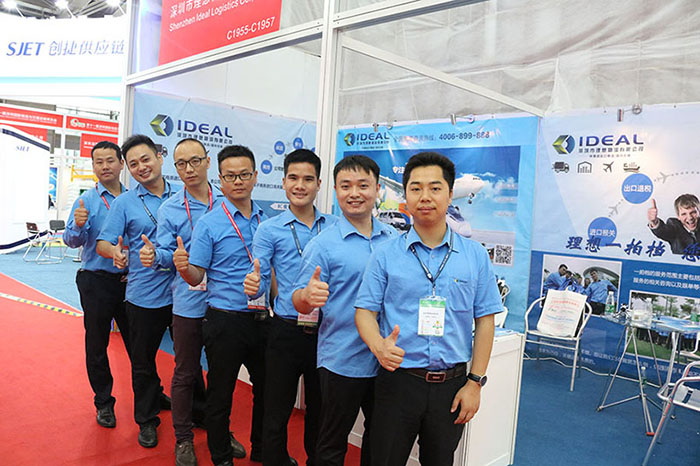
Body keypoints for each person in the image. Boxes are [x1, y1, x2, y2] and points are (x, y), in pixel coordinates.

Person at [354, 151, 501, 466]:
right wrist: (378, 345)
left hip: (452, 387)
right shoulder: (385, 254)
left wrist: (475, 382)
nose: (425, 196)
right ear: (405, 195)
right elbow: (365, 311)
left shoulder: (475, 256)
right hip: (398, 382)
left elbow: (485, 321)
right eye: (416, 188)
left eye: (435, 188)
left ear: (450, 194)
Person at [138, 138, 245, 465]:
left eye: (195, 161)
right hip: (188, 303)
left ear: (208, 161)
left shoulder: (227, 200)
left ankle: (219, 432)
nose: (189, 169)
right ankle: (183, 438)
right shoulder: (170, 208)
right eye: (181, 164)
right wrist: (158, 256)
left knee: (221, 376)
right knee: (185, 373)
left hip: (225, 303)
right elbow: (165, 252)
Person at [292, 155, 396, 466]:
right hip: (342, 361)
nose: (354, 193)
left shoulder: (395, 240)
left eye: (363, 185)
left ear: (377, 189)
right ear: (335, 190)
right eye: (346, 186)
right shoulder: (322, 245)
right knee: (331, 444)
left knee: (381, 442)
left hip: (387, 361)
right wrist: (307, 296)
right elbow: (297, 300)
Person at [174, 145, 268, 466]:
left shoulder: (267, 221)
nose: (238, 181)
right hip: (225, 321)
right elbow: (196, 275)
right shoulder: (210, 223)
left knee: (266, 391)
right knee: (220, 394)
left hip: (262, 319)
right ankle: (221, 457)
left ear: (255, 177)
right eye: (230, 176)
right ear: (221, 180)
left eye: (244, 174)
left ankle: (262, 449)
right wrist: (184, 267)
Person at [244, 149, 337, 466]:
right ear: (283, 182)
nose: (300, 185)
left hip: (327, 332)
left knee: (320, 409)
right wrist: (253, 285)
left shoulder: (334, 227)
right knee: (276, 409)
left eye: (308, 179)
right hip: (285, 330)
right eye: (293, 178)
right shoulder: (269, 229)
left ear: (319, 184)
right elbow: (259, 276)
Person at [97, 134, 175, 448]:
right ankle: (147, 420)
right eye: (133, 164)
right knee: (142, 362)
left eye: (146, 159)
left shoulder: (182, 196)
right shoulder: (125, 203)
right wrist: (115, 253)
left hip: (185, 293)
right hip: (145, 295)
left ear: (159, 157)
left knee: (189, 362)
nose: (141, 167)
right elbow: (104, 242)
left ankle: (197, 412)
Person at [63, 141, 130, 429]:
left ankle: (153, 393)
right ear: (93, 166)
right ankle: (104, 402)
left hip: (131, 282)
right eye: (98, 162)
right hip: (96, 281)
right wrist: (78, 225)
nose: (104, 166)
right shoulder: (87, 201)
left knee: (140, 344)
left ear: (121, 164)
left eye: (110, 160)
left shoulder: (133, 198)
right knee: (97, 345)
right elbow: (70, 241)